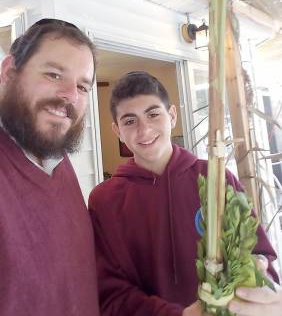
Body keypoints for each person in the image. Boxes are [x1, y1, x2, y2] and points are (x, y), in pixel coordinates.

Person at [89, 71, 281, 316]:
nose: (144, 129)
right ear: (117, 130)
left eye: (153, 114)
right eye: (130, 121)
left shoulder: (217, 179)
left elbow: (259, 254)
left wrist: (260, 278)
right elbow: (109, 295)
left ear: (172, 116)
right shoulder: (103, 201)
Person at [0, 19, 100, 316]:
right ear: (9, 72)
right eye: (54, 74)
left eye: (82, 86)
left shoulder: (57, 159)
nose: (70, 95)